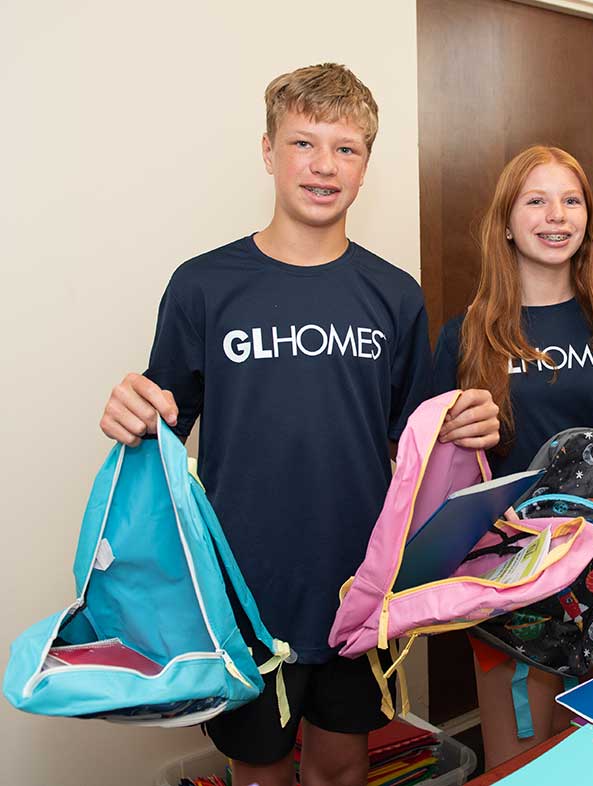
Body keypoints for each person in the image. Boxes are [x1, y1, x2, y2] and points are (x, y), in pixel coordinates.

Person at [98, 63, 499, 786]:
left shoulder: (393, 294)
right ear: (267, 150)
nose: (323, 166)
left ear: (366, 163)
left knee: (342, 764)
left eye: (346, 148)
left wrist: (464, 422)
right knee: (256, 770)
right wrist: (130, 413)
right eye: (303, 143)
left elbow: (419, 442)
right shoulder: (203, 285)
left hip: (357, 581)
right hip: (244, 588)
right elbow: (161, 423)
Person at [432, 145, 593, 768]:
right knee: (518, 758)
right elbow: (422, 463)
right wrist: (451, 432)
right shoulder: (469, 332)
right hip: (507, 572)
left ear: (587, 221)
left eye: (571, 200)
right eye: (536, 200)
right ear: (506, 220)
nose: (556, 215)